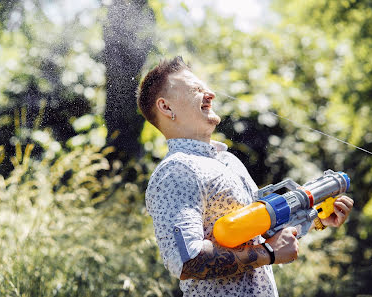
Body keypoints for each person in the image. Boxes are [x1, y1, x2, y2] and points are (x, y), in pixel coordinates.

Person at [136, 56, 354, 297]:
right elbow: (188, 261)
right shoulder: (177, 171)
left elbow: (259, 235)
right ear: (166, 107)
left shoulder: (228, 161)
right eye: (196, 89)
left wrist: (317, 218)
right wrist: (269, 254)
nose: (210, 93)